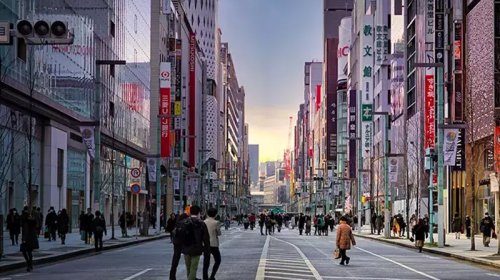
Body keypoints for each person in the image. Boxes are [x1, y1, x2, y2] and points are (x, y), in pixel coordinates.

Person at [181, 205, 210, 280]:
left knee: (188, 268)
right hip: (197, 248)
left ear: (190, 212)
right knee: (193, 268)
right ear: (198, 213)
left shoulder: (184, 222)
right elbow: (206, 238)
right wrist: (207, 249)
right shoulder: (201, 223)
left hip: (186, 248)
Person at [203, 208, 222, 280]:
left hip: (205, 244)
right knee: (218, 260)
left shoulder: (204, 221)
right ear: (215, 214)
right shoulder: (216, 222)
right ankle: (212, 276)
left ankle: (205, 277)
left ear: (207, 214)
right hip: (214, 244)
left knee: (206, 262)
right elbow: (219, 233)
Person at [170, 213, 188, 280]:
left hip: (176, 243)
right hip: (184, 243)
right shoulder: (186, 223)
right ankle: (191, 276)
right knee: (189, 260)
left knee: (175, 260)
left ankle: (172, 277)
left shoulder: (177, 223)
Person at [20, 206, 39, 272]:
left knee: (28, 252)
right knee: (25, 251)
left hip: (29, 238)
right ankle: (29, 263)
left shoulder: (31, 222)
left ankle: (29, 264)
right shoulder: (26, 222)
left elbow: (28, 230)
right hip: (27, 238)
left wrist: (24, 239)